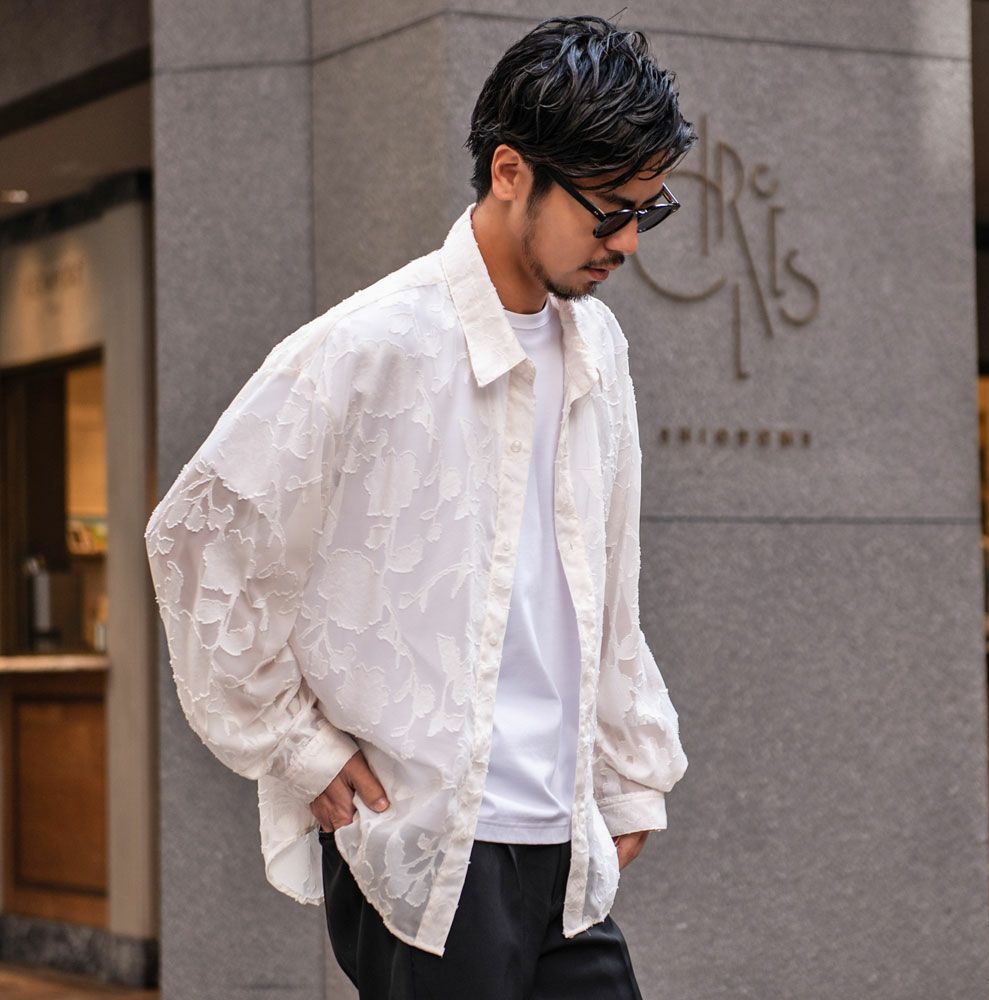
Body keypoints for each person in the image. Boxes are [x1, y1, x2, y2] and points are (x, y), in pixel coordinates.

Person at [144, 13, 694, 1000]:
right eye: (609, 210)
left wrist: (628, 771)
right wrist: (298, 746)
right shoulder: (371, 347)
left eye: (645, 212)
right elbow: (198, 539)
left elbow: (609, 583)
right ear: (511, 172)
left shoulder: (599, 350)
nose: (625, 242)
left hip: (563, 840)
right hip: (429, 845)